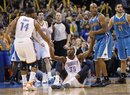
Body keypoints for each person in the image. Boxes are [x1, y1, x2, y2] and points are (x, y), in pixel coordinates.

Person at [4, 8, 52, 91]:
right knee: (34, 63)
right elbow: (42, 34)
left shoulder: (18, 18)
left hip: (17, 42)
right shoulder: (34, 21)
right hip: (27, 41)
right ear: (32, 14)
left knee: (23, 62)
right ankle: (30, 83)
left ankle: (24, 85)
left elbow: (10, 26)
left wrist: (5, 37)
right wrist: (49, 42)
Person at [88, 3, 112, 87]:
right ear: (90, 9)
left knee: (100, 59)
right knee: (96, 60)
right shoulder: (90, 20)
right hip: (98, 40)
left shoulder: (100, 16)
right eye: (93, 8)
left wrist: (94, 32)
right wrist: (90, 49)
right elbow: (92, 35)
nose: (94, 9)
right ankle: (98, 80)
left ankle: (106, 79)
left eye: (95, 7)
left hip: (105, 38)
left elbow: (105, 29)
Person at [108, 2, 130, 83]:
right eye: (118, 7)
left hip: (128, 38)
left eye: (121, 7)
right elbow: (107, 29)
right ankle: (123, 78)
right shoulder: (113, 19)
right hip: (119, 40)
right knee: (123, 60)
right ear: (115, 9)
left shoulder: (127, 16)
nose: (120, 8)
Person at [33, 11, 54, 84]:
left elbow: (47, 33)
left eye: (42, 15)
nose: (42, 16)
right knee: (35, 62)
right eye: (40, 15)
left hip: (44, 43)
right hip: (37, 43)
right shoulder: (35, 23)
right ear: (37, 16)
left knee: (47, 59)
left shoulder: (46, 23)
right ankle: (34, 78)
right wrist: (39, 42)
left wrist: (49, 41)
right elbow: (34, 36)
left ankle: (49, 76)